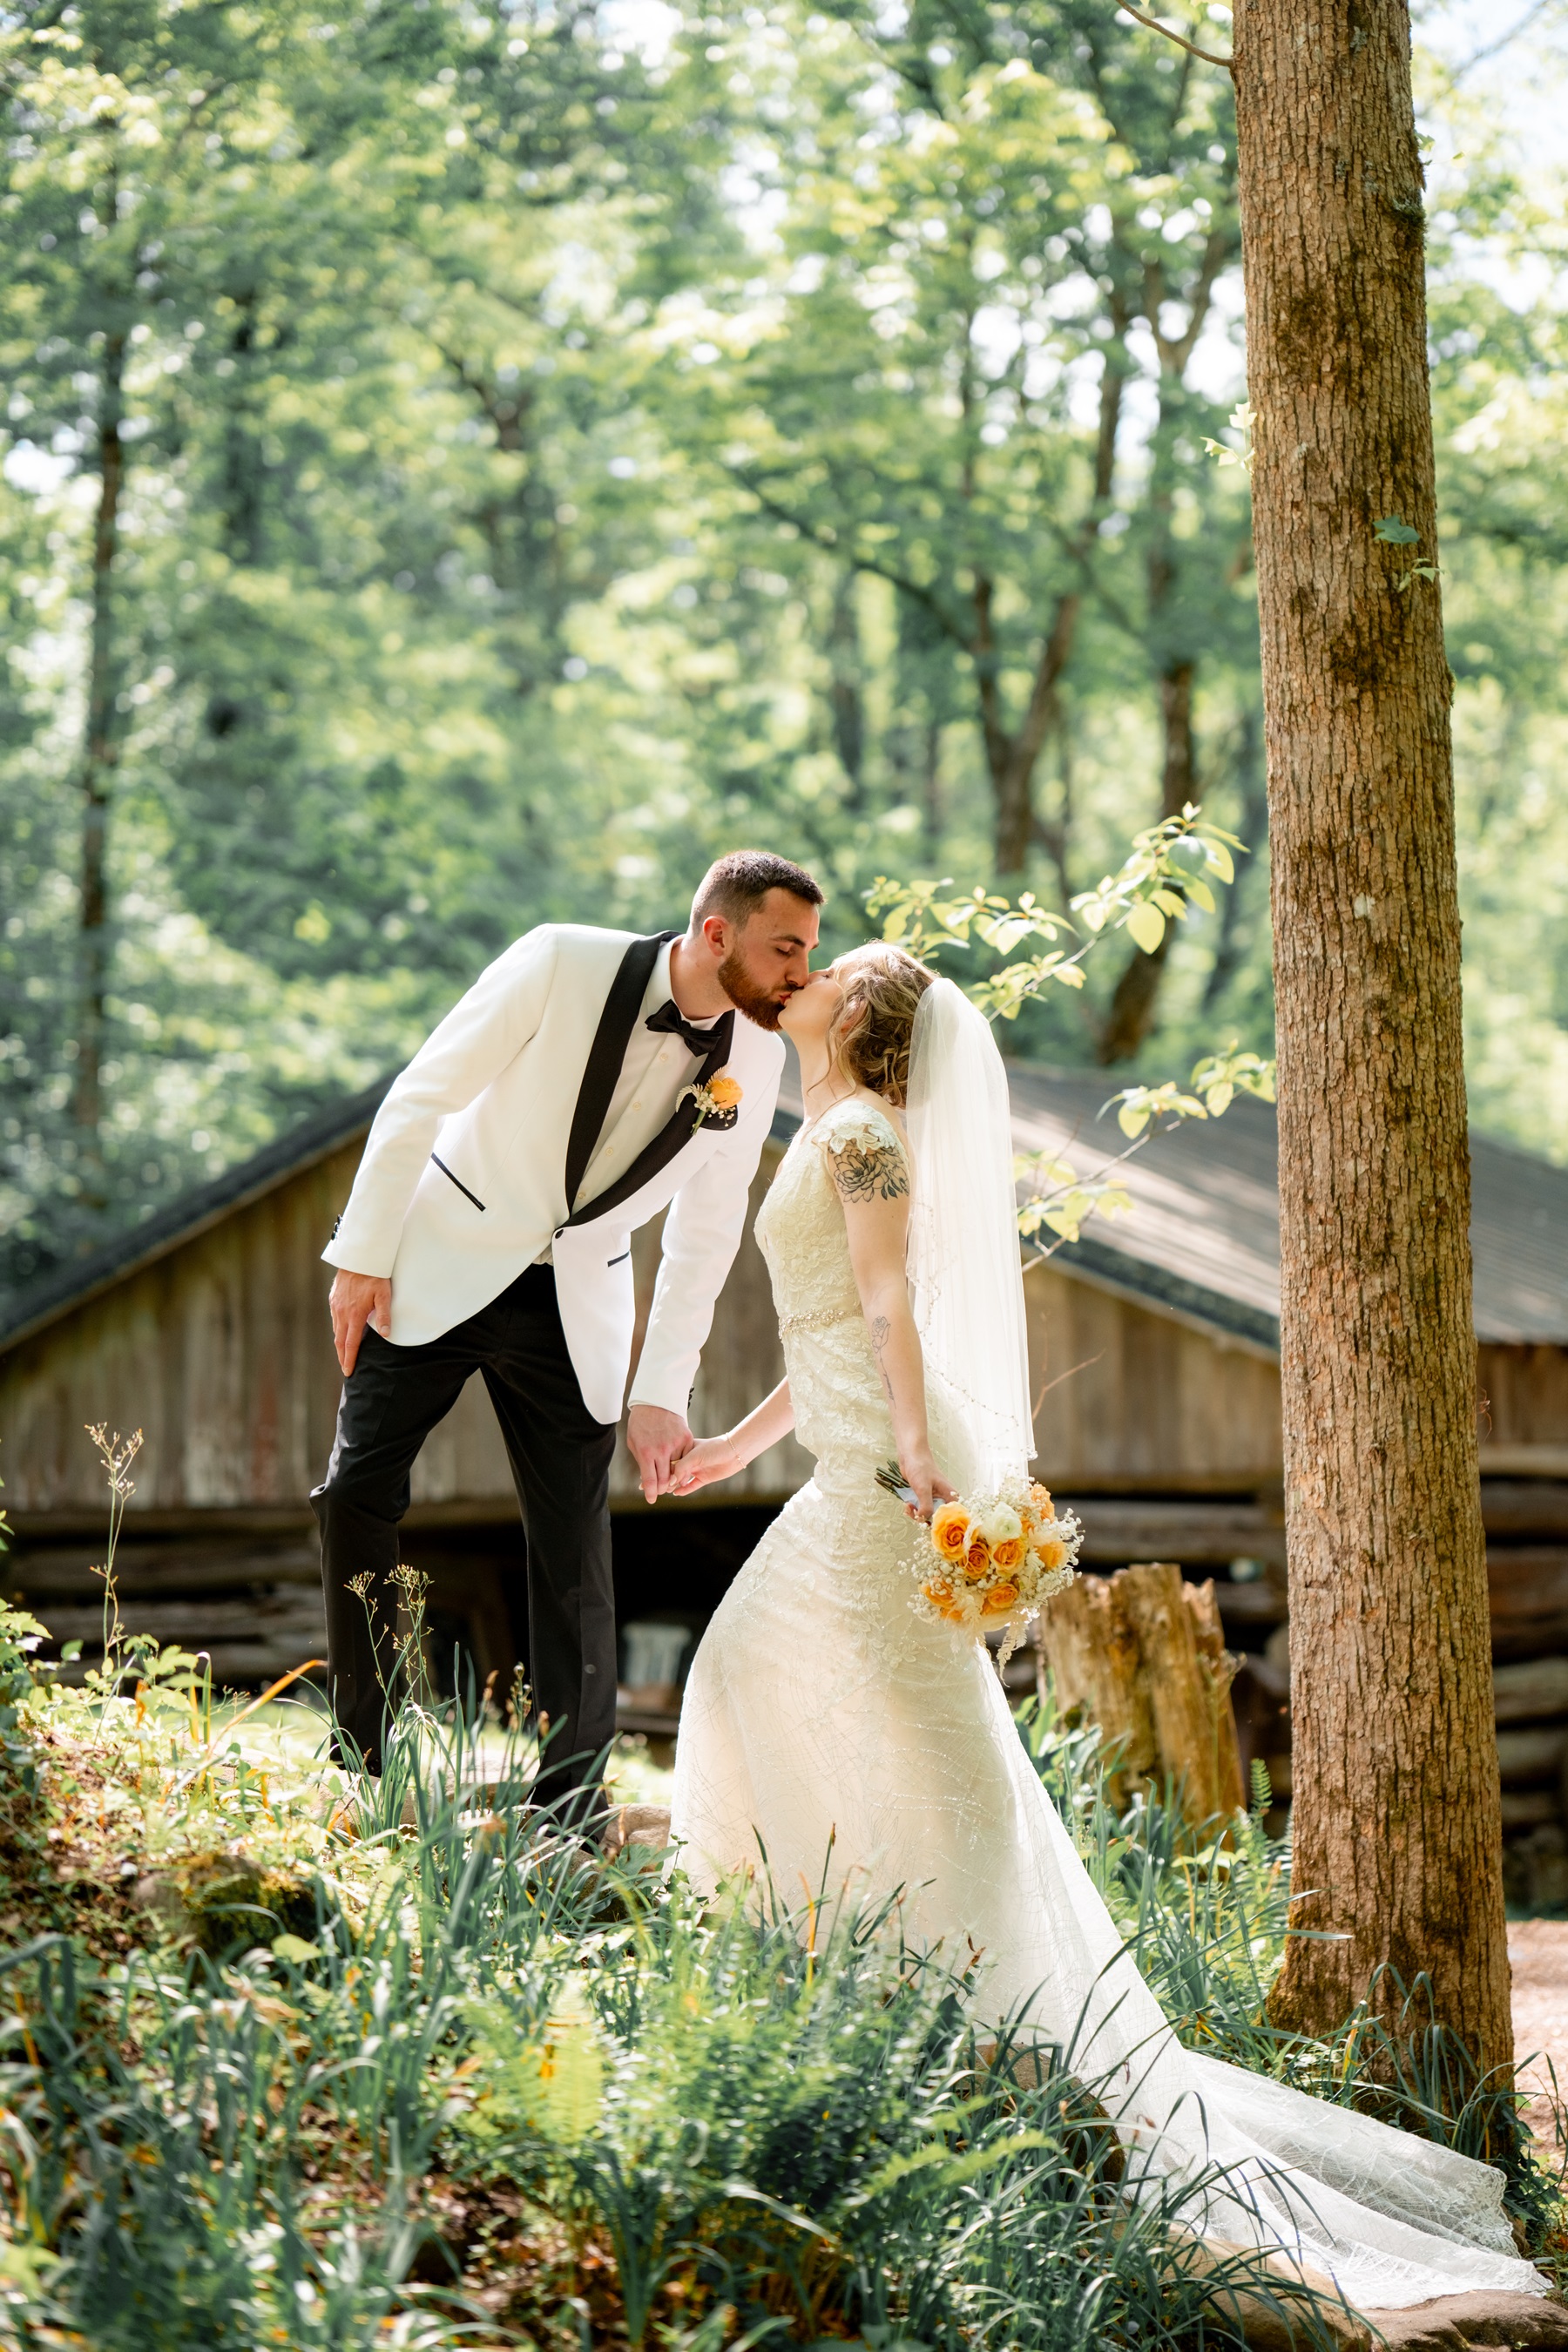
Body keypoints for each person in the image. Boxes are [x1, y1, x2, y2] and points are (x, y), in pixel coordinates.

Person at [666, 943, 1548, 2314]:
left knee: (799, 1691)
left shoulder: (857, 1133)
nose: (809, 976)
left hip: (887, 1481)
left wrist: (910, 1452)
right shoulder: (834, 1123)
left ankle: (936, 1995)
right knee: (808, 1698)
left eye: (830, 971)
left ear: (865, 1019)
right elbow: (834, 1319)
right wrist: (733, 1442)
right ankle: (853, 1980)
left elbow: (895, 1302)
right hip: (849, 1461)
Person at [311, 850, 823, 1806]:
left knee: (575, 1550)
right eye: (786, 948)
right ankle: (364, 1758)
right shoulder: (557, 960)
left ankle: (572, 1798)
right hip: (440, 1253)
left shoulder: (757, 1056)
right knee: (355, 1493)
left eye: (808, 952)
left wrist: (662, 1391)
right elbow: (424, 1090)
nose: (802, 973)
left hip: (578, 1299)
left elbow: (707, 1230)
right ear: (718, 933)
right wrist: (363, 1249)